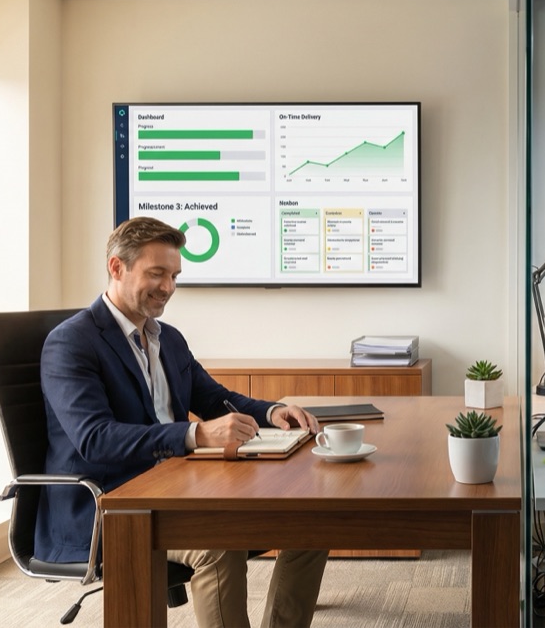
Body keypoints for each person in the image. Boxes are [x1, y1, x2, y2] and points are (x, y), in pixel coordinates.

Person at [38, 217, 329, 628]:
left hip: (178, 486)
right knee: (218, 546)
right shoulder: (71, 342)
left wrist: (271, 411)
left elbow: (212, 399)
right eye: (156, 274)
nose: (169, 287)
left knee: (311, 524)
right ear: (116, 267)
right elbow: (95, 439)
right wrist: (195, 434)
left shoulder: (166, 338)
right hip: (110, 507)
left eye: (174, 275)